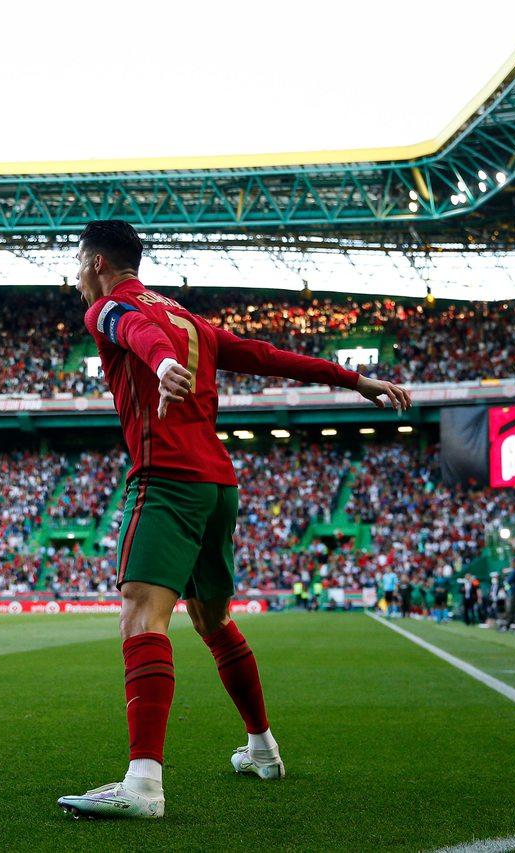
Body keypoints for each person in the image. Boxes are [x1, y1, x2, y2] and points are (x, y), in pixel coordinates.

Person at [56, 220, 411, 819]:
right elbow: (269, 357)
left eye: (77, 266)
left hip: (166, 478)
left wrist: (163, 364)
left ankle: (142, 784)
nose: (76, 280)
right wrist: (352, 380)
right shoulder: (192, 320)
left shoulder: (109, 309)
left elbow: (134, 330)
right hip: (218, 486)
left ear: (94, 263)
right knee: (213, 620)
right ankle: (263, 748)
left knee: (142, 614)